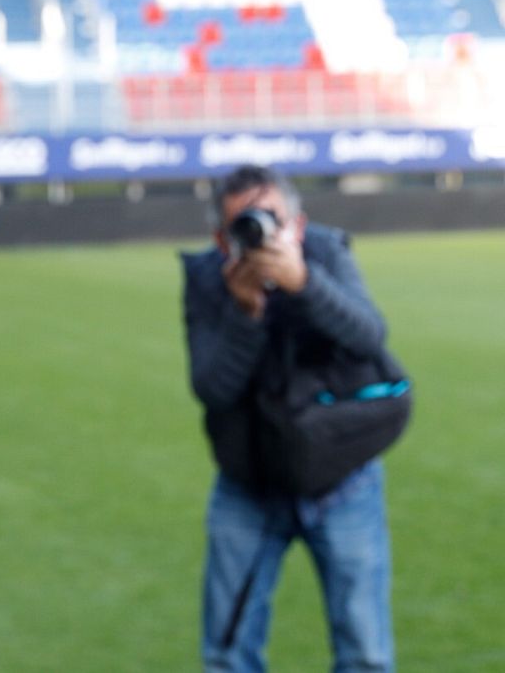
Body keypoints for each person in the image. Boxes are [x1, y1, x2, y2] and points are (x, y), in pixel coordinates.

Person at [181, 165, 395, 672]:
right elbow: (211, 388)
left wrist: (305, 284)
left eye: (272, 219)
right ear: (220, 238)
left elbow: (369, 337)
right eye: (245, 224)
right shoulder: (209, 278)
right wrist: (246, 312)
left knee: (365, 653)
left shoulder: (325, 252)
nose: (260, 233)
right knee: (228, 653)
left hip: (343, 480)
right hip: (248, 483)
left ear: (297, 224)